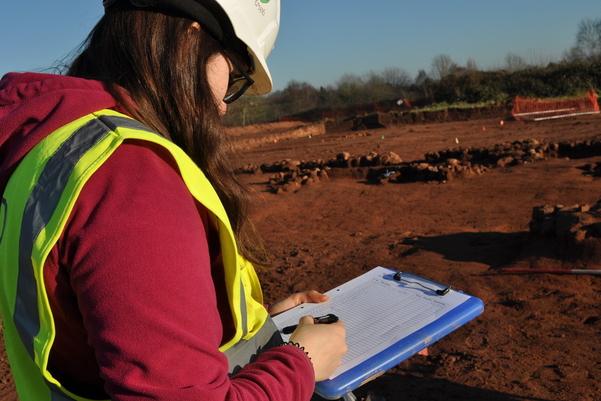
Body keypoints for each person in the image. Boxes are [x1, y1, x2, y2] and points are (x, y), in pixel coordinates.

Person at [0, 1, 347, 400]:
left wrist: (257, 332)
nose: (221, 105)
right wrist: (301, 361)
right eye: (232, 76)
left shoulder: (53, 147)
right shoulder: (129, 176)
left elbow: (94, 335)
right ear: (189, 36)